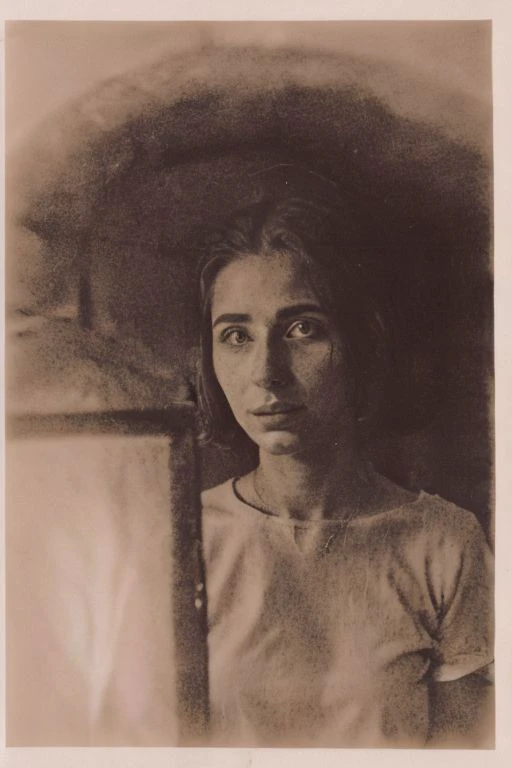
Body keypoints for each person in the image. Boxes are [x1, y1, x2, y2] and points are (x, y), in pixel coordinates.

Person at [197, 183, 494, 748]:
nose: (266, 371)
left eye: (302, 328)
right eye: (236, 335)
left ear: (364, 341)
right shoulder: (184, 542)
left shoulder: (444, 545)